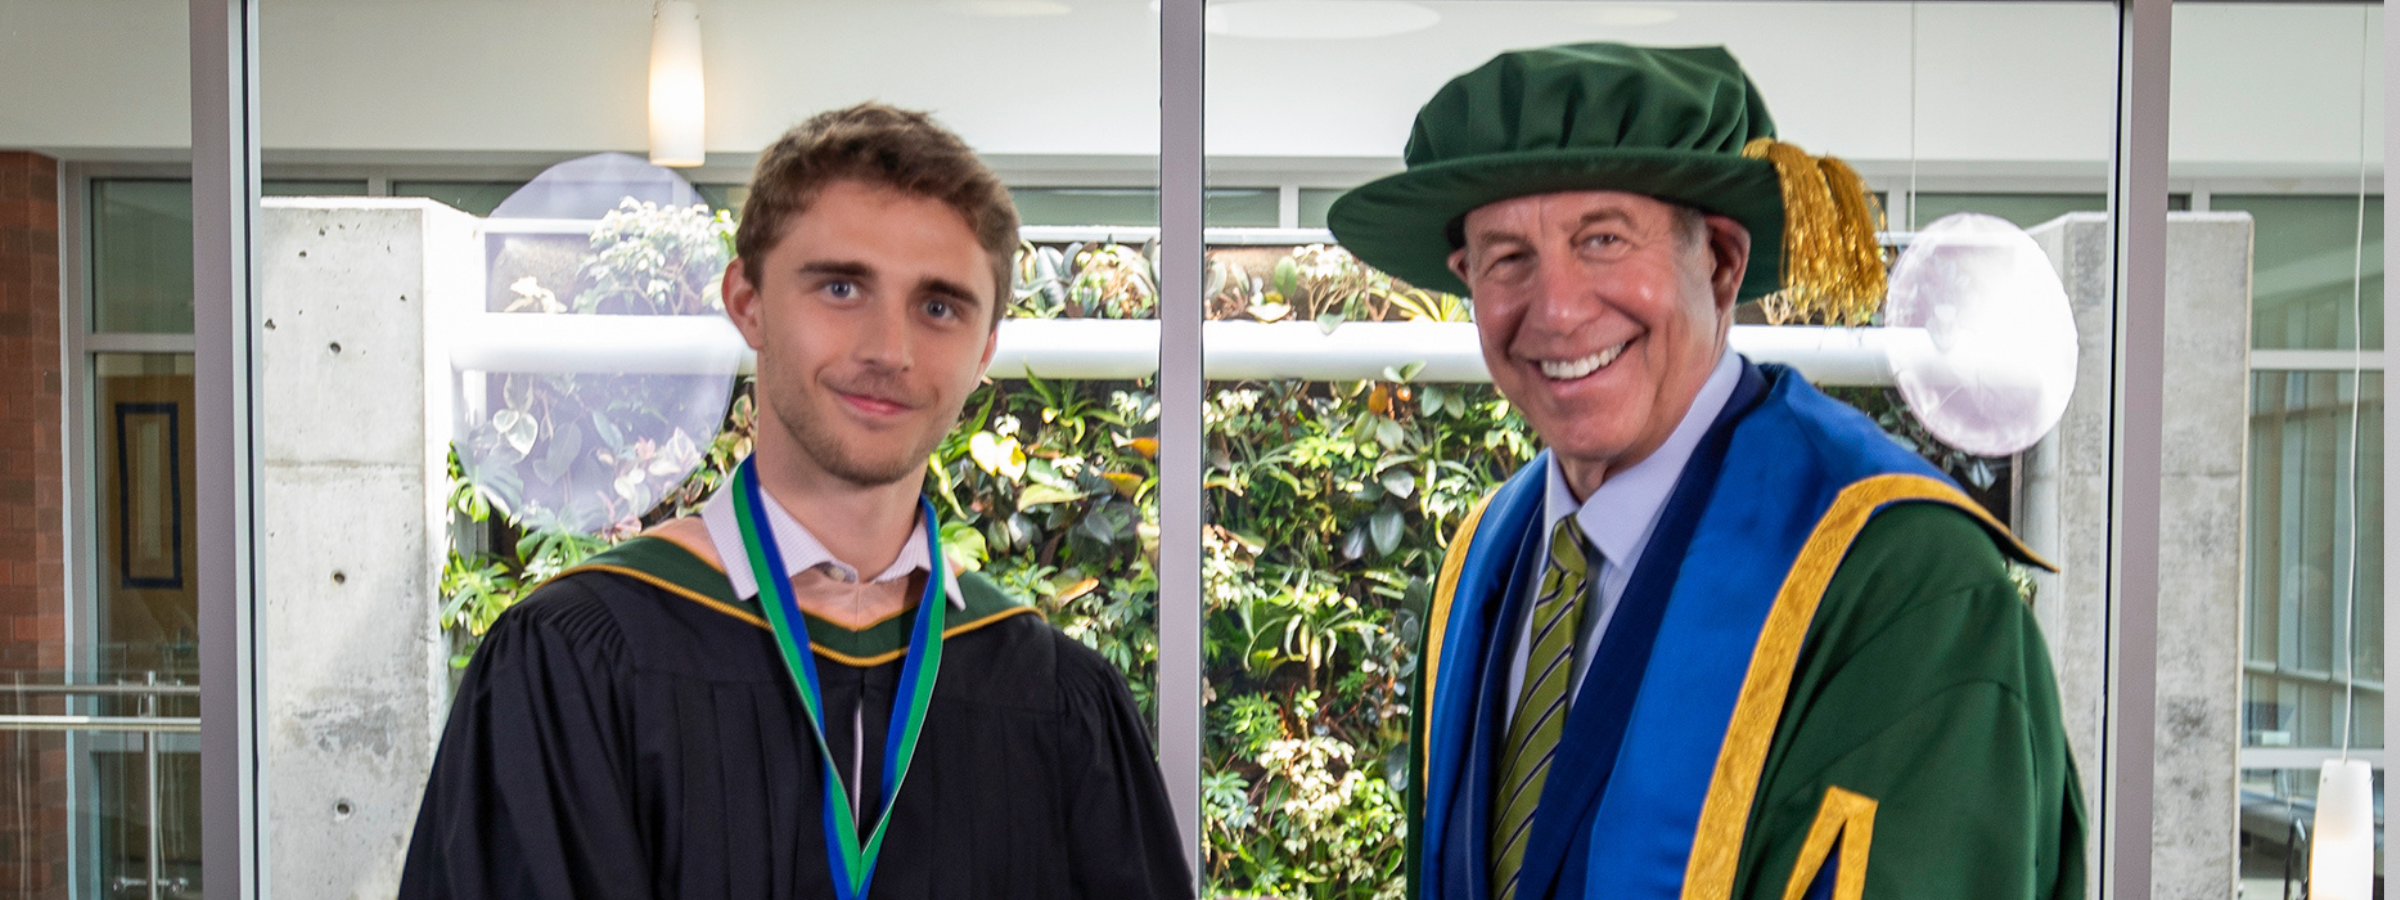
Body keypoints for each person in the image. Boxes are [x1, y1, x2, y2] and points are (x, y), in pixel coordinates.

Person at [1326, 44, 2085, 900]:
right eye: (1508, 258)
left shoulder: (1905, 587)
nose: (1559, 311)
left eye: (1603, 239)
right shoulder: (1484, 563)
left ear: (1721, 264)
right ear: (1466, 280)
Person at [399, 103, 1193, 900]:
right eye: (842, 287)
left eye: (940, 306)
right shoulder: (573, 661)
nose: (890, 349)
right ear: (746, 301)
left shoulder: (1056, 701)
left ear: (985, 349)